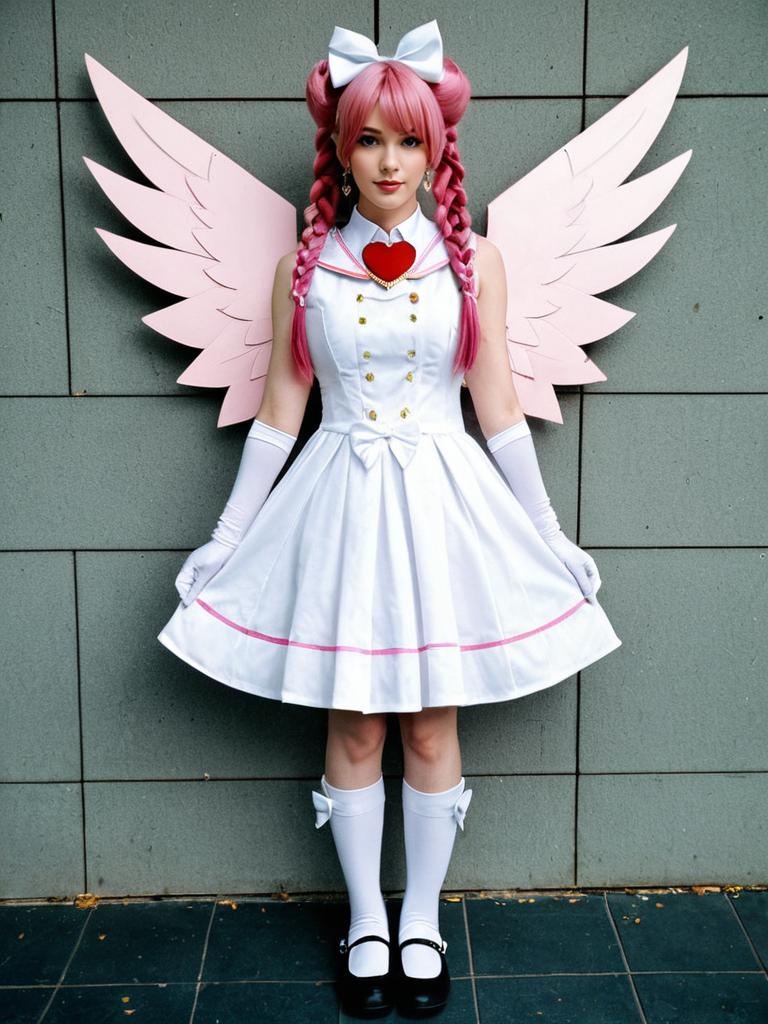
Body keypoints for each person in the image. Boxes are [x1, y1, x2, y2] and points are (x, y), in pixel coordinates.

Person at [157, 20, 621, 1018]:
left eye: (409, 140)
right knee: (355, 721)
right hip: (342, 505)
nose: (390, 160)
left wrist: (549, 534)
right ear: (341, 146)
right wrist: (227, 539)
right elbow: (281, 416)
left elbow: (497, 411)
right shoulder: (303, 267)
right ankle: (366, 917)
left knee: (430, 717)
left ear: (437, 146)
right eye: (369, 138)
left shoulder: (476, 262)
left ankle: (422, 919)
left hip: (443, 505)